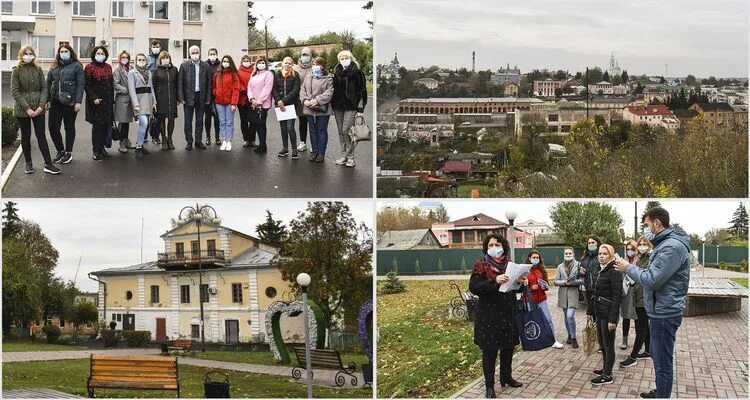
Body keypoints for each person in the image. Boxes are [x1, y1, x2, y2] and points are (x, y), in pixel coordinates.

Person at [615, 206, 690, 399]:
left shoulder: (671, 247)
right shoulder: (666, 244)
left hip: (665, 313)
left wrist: (627, 268)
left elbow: (652, 279)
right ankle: (660, 391)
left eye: (647, 225)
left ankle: (662, 396)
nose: (645, 230)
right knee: (658, 358)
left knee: (663, 362)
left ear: (657, 223)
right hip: (660, 310)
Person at [470, 234, 528, 398]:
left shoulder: (510, 265)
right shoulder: (481, 265)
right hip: (488, 315)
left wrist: (521, 283)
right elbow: (474, 287)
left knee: (508, 347)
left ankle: (506, 377)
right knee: (490, 351)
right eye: (491, 245)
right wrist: (495, 280)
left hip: (508, 312)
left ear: (504, 246)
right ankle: (489, 386)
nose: (494, 247)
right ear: (486, 248)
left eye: (497, 244)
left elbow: (514, 288)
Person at [11, 45, 60, 174]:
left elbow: (44, 88)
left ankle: (48, 164)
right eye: (25, 53)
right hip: (23, 111)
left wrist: (40, 106)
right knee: (26, 137)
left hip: (39, 109)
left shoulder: (38, 69)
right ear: (21, 56)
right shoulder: (16, 71)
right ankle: (28, 163)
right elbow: (15, 91)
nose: (28, 56)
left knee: (41, 136)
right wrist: (27, 109)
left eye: (30, 53)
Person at [587, 243, 623, 386]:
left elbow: (617, 296)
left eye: (605, 254)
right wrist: (590, 311)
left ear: (611, 255)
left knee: (608, 345)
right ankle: (605, 368)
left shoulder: (614, 271)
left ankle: (607, 375)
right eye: (600, 254)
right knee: (602, 344)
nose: (601, 256)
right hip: (599, 313)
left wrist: (612, 319)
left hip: (608, 315)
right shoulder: (600, 269)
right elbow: (595, 293)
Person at [47, 43, 84, 164]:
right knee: (53, 128)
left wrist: (78, 102)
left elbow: (80, 85)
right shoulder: (54, 66)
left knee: (69, 127)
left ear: (70, 53)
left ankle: (68, 152)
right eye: (61, 52)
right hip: (55, 102)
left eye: (66, 51)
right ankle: (60, 150)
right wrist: (47, 100)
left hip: (70, 102)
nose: (63, 53)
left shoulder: (77, 66)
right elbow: (48, 84)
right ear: (58, 54)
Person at [619, 236, 653, 368]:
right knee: (645, 327)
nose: (642, 246)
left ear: (649, 246)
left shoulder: (650, 260)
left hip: (644, 298)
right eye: (640, 244)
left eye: (645, 244)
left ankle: (633, 357)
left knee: (641, 328)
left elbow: (646, 278)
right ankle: (648, 351)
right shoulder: (640, 260)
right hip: (638, 296)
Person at [331, 50, 367, 168]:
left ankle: (350, 157)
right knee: (341, 131)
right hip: (338, 106)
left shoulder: (357, 73)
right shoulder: (337, 73)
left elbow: (362, 92)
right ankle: (343, 156)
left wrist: (360, 110)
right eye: (342, 58)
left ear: (351, 58)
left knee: (346, 130)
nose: (344, 59)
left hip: (351, 106)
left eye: (346, 57)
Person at [523, 250, 564, 349]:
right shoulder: (525, 270)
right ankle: (533, 341)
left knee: (548, 319)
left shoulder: (542, 270)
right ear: (529, 258)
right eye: (534, 257)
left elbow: (546, 284)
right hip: (530, 300)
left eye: (537, 258)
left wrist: (544, 287)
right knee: (532, 321)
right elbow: (520, 286)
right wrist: (531, 287)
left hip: (541, 298)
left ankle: (552, 340)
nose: (536, 259)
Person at [177, 45, 212, 151]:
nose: (195, 54)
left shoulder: (206, 66)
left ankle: (198, 141)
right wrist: (181, 97)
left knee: (199, 121)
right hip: (188, 97)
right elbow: (180, 83)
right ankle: (189, 142)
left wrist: (208, 98)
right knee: (188, 122)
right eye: (193, 52)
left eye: (197, 52)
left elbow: (209, 83)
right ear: (189, 54)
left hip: (201, 96)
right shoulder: (184, 65)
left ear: (200, 53)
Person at [299, 57, 333, 163]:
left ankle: (321, 153)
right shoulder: (309, 77)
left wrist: (317, 101)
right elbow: (302, 89)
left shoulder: (328, 78)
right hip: (309, 108)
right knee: (312, 131)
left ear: (322, 66)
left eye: (317, 64)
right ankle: (314, 151)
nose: (314, 66)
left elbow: (329, 92)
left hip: (322, 109)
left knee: (322, 131)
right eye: (313, 64)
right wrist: (305, 100)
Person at [84, 46, 114, 161]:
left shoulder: (108, 67)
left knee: (106, 125)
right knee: (97, 127)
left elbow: (110, 85)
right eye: (98, 53)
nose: (100, 55)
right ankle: (96, 150)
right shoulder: (89, 67)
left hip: (107, 102)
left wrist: (112, 100)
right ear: (94, 54)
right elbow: (87, 85)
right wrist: (94, 97)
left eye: (102, 53)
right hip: (96, 102)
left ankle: (102, 148)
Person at [127, 53, 156, 159]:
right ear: (135, 60)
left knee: (145, 125)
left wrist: (154, 103)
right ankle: (138, 147)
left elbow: (151, 88)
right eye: (139, 59)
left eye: (143, 59)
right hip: (138, 103)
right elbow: (131, 90)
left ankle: (141, 144)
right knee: (144, 123)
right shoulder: (132, 73)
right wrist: (136, 104)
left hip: (148, 102)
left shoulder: (149, 72)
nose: (141, 61)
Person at [554, 247, 583, 348]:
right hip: (562, 294)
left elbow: (582, 280)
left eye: (570, 253)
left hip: (573, 293)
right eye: (566, 253)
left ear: (573, 254)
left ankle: (574, 337)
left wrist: (572, 282)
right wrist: (564, 282)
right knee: (566, 317)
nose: (568, 255)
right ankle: (569, 335)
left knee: (570, 316)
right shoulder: (560, 266)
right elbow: (555, 281)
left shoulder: (578, 265)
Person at [272, 56, 301, 159]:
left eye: (289, 63)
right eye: (285, 63)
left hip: (290, 105)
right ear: (282, 63)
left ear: (292, 65)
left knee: (290, 128)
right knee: (283, 128)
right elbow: (274, 89)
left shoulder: (295, 75)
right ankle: (285, 148)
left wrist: (283, 101)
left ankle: (294, 149)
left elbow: (295, 90)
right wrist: (278, 100)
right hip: (279, 106)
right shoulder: (276, 74)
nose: (287, 65)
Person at [246, 56, 275, 154]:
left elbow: (267, 88)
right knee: (256, 124)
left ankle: (262, 146)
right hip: (254, 103)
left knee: (261, 124)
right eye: (259, 63)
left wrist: (259, 101)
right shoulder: (253, 74)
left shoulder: (268, 74)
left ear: (265, 64)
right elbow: (249, 87)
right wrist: (251, 98)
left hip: (263, 104)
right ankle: (262, 145)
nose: (261, 64)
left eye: (263, 62)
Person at [212, 55, 240, 151]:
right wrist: (215, 93)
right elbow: (214, 87)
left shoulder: (234, 75)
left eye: (227, 61)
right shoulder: (217, 74)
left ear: (230, 63)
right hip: (219, 102)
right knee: (222, 122)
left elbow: (236, 89)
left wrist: (233, 103)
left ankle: (229, 141)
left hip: (229, 103)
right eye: (224, 61)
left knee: (229, 122)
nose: (225, 63)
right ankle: (223, 140)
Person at [152, 50, 179, 150]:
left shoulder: (174, 70)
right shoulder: (156, 71)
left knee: (171, 119)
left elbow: (177, 84)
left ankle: (170, 139)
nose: (165, 60)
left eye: (167, 58)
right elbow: (153, 87)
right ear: (160, 60)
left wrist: (178, 98)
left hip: (172, 98)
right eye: (163, 58)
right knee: (161, 119)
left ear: (170, 59)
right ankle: (163, 138)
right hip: (160, 98)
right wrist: (154, 101)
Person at [113, 50, 135, 153]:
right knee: (122, 121)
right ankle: (121, 142)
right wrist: (125, 90)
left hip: (130, 99)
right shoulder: (117, 70)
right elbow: (115, 84)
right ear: (119, 59)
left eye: (126, 57)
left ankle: (126, 140)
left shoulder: (131, 68)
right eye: (123, 57)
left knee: (127, 122)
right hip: (122, 99)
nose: (125, 59)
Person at [293, 47, 313, 152]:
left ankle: (314, 144)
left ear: (311, 56)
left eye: (307, 54)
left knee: (313, 122)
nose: (305, 56)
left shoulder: (314, 67)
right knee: (302, 121)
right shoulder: (295, 68)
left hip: (312, 100)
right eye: (303, 54)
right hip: (300, 100)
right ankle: (302, 142)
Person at [620, 240, 639, 350]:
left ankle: (639, 341)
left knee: (637, 317)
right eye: (628, 249)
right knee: (626, 317)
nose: (630, 251)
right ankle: (624, 340)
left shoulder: (639, 262)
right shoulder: (624, 261)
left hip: (636, 291)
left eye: (632, 249)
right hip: (626, 292)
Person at [145, 39, 162, 144]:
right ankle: (145, 134)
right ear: (151, 48)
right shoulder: (148, 58)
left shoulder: (163, 57)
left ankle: (156, 136)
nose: (156, 48)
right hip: (149, 89)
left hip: (160, 89)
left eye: (157, 46)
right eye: (154, 46)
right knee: (147, 113)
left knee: (158, 115)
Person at [204, 48, 221, 146]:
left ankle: (217, 137)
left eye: (214, 53)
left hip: (217, 96)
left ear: (217, 54)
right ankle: (208, 137)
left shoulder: (220, 65)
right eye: (210, 54)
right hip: (207, 96)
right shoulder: (205, 65)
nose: (212, 55)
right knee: (207, 118)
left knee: (217, 118)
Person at [237, 55, 255, 147]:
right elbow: (237, 82)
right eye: (244, 60)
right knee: (243, 120)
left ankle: (252, 139)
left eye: (248, 60)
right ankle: (246, 139)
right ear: (241, 62)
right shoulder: (238, 71)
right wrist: (244, 89)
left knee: (252, 120)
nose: (246, 62)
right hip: (242, 98)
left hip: (252, 99)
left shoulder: (254, 71)